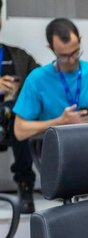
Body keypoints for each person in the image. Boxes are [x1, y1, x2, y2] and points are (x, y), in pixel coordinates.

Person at [13, 18, 88, 143]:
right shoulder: (37, 79)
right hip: (57, 147)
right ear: (51, 49)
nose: (71, 60)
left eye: (75, 53)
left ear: (80, 41)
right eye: (64, 56)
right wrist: (59, 122)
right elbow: (20, 131)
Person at [0, 0, 39, 213]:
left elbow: (42, 81)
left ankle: (25, 186)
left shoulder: (18, 56)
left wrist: (21, 90)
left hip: (13, 121)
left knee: (18, 113)